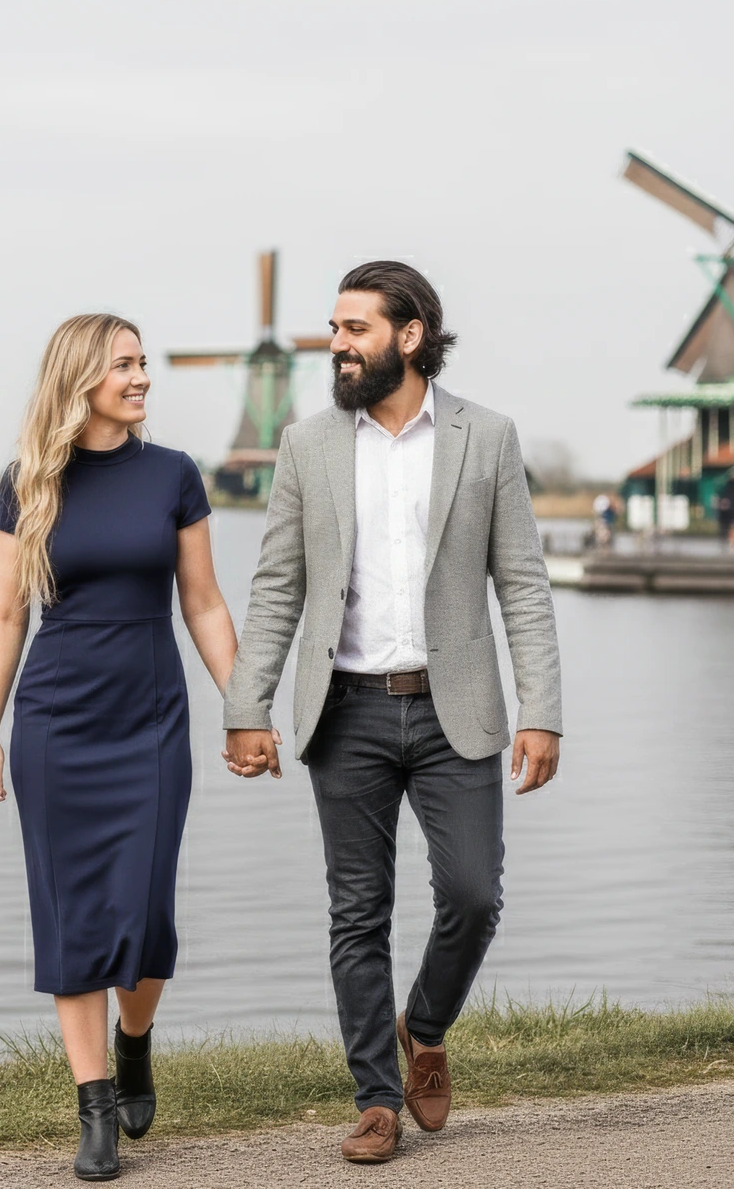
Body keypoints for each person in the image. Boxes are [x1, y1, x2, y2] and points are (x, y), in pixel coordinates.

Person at [220, 261, 563, 1165]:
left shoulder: (486, 437)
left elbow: (522, 583)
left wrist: (544, 710)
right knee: (356, 914)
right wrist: (245, 705)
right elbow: (276, 587)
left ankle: (428, 1022)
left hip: (459, 713)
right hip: (345, 713)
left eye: (354, 328)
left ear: (409, 336)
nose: (336, 344)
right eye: (334, 329)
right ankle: (376, 1100)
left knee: (472, 895)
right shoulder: (307, 445)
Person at [0, 314, 240, 1181]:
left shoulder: (173, 475)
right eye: (125, 364)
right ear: (82, 377)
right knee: (71, 914)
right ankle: (94, 1111)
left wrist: (246, 705)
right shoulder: (29, 481)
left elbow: (201, 603)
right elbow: (7, 613)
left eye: (143, 362)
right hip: (54, 723)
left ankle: (136, 1037)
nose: (143, 377)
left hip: (152, 718)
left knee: (146, 915)